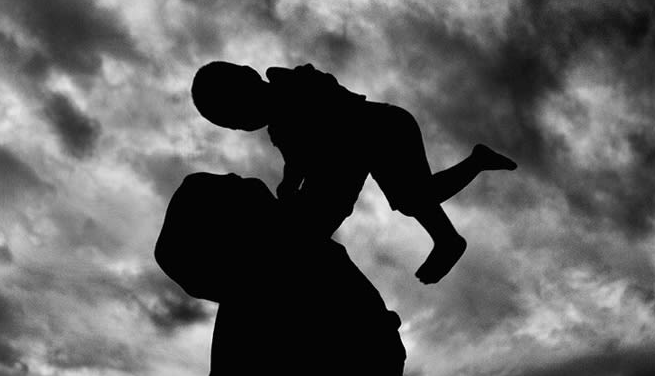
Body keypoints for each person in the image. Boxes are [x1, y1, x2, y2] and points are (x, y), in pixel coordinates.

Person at [156, 172, 430, 376]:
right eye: (234, 185)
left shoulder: (286, 266)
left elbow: (377, 331)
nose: (241, 177)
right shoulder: (290, 265)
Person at [190, 62, 516, 283]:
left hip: (385, 129)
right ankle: (448, 236)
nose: (243, 123)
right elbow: (297, 160)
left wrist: (311, 181)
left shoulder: (294, 85)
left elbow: (333, 120)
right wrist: (290, 186)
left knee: (414, 197)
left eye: (238, 110)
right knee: (412, 198)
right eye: (234, 123)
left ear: (249, 78)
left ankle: (473, 169)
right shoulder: (279, 128)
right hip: (360, 148)